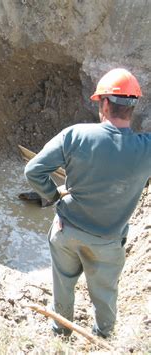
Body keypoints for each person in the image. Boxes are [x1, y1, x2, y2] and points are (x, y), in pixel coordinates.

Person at [24, 68, 151, 338]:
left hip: (66, 231)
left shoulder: (75, 135)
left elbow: (33, 171)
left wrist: (53, 194)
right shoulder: (146, 148)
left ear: (104, 103)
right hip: (108, 241)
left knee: (63, 284)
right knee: (105, 293)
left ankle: (60, 333)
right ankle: (102, 338)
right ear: (133, 107)